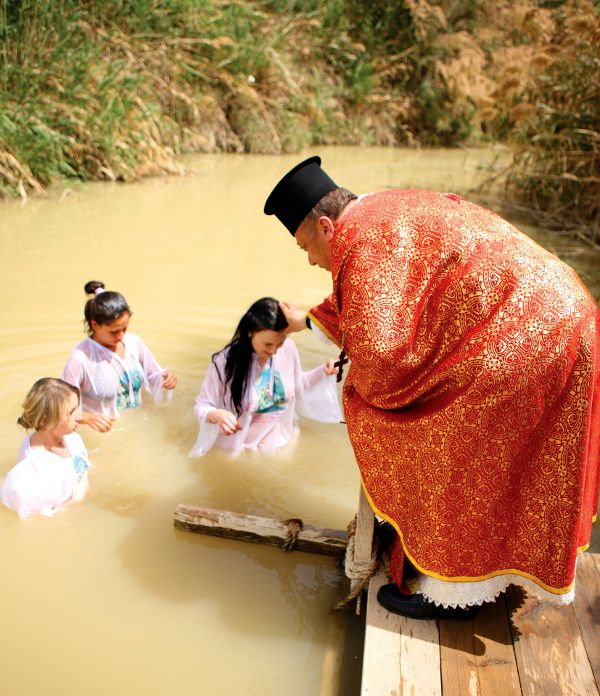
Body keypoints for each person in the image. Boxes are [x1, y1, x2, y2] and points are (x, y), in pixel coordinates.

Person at [264, 155, 600, 619]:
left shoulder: (359, 245)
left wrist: (355, 392)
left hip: (527, 333)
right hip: (566, 319)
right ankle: (495, 565)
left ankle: (452, 591)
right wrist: (311, 319)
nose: (312, 259)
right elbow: (380, 299)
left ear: (324, 226)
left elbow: (381, 358)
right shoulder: (382, 209)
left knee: (440, 438)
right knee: (508, 458)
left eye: (305, 246)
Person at [189, 297, 342, 457]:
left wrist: (324, 372)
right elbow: (202, 405)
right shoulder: (225, 362)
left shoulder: (288, 348)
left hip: (281, 445)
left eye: (279, 343)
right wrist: (217, 415)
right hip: (238, 452)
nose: (274, 350)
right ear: (250, 332)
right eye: (268, 344)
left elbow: (297, 385)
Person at [62, 281, 177, 432]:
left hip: (138, 425)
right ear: (95, 325)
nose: (121, 335)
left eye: (125, 328)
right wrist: (89, 419)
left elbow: (154, 375)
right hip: (101, 434)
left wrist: (167, 379)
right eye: (114, 331)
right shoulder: (81, 358)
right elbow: (61, 407)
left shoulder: (134, 342)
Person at [2, 378, 90, 519]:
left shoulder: (71, 438)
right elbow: (46, 519)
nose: (79, 416)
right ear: (45, 420)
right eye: (72, 412)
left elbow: (84, 466)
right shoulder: (37, 472)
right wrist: (78, 501)